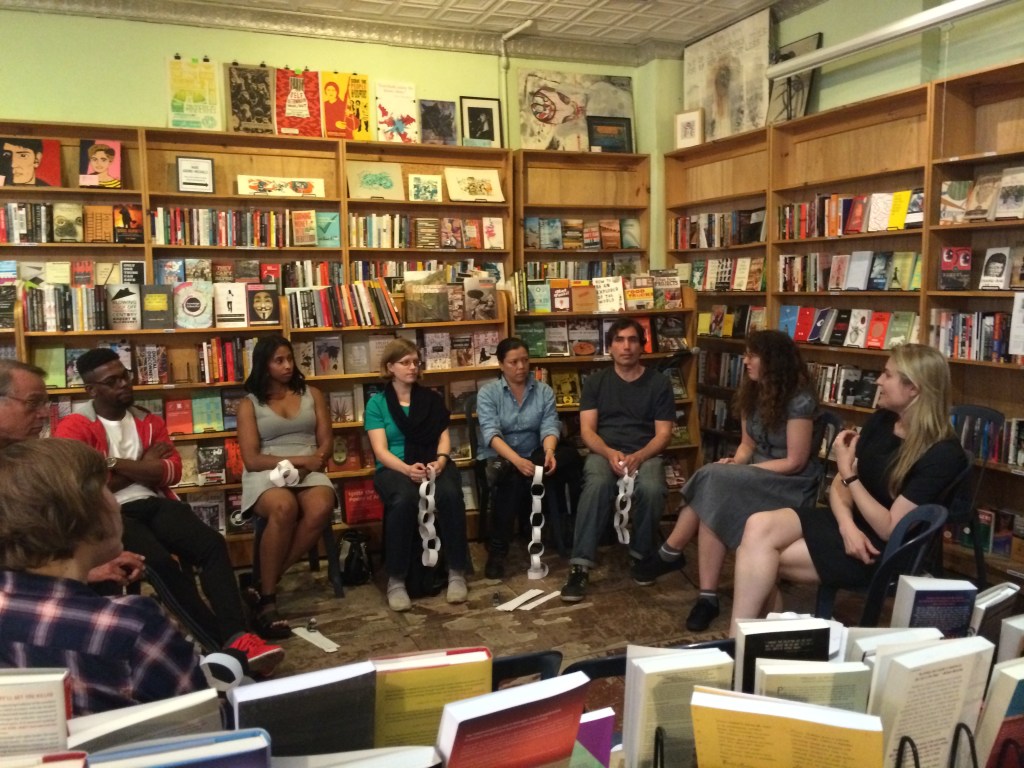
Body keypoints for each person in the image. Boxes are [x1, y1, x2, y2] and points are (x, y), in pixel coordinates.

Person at [53, 349, 285, 675]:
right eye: (112, 381)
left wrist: (114, 464)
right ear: (92, 389)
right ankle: (224, 649)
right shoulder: (74, 427)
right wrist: (145, 465)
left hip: (153, 501)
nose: (124, 384)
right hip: (110, 513)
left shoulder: (149, 420)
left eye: (125, 376)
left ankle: (239, 636)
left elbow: (172, 471)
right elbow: (85, 488)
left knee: (212, 544)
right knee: (160, 563)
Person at [728, 344, 968, 635]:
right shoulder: (883, 421)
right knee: (757, 527)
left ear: (913, 389)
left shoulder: (943, 453)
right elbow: (840, 486)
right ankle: (747, 638)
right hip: (847, 524)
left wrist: (849, 475)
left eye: (887, 375)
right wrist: (846, 524)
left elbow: (891, 528)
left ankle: (747, 639)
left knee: (758, 558)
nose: (878, 381)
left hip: (879, 549)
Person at [0, 438, 209, 716]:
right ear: (83, 516)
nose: (117, 504)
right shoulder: (132, 625)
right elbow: (201, 722)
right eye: (106, 489)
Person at [655, 330, 819, 632]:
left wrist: (745, 473)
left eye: (751, 355)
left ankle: (672, 551)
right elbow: (746, 445)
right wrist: (736, 464)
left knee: (714, 482)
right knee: (715, 488)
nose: (745, 361)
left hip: (790, 483)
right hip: (757, 476)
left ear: (773, 360)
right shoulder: (752, 391)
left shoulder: (799, 399)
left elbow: (795, 461)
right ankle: (705, 594)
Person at [0, 359, 145, 588]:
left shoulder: (27, 460)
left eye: (44, 403)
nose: (44, 413)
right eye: (33, 402)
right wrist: (80, 570)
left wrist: (86, 563)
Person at [560, 318, 675, 602]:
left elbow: (663, 434)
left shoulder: (659, 383)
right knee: (597, 484)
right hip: (604, 452)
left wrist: (640, 455)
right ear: (609, 347)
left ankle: (641, 555)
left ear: (642, 346)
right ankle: (580, 565)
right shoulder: (596, 382)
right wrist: (609, 453)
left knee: (652, 488)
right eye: (619, 340)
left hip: (645, 453)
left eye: (633, 340)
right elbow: (587, 431)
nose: (626, 346)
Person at [238, 335, 337, 631]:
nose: (287, 366)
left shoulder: (312, 394)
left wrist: (315, 460)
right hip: (268, 471)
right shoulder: (249, 404)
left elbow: (326, 441)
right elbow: (252, 459)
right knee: (284, 507)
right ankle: (268, 598)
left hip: (309, 466)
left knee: (321, 506)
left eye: (289, 359)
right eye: (278, 361)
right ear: (263, 365)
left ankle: (263, 581)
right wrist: (301, 461)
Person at [365, 338, 469, 611]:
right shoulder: (377, 404)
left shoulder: (431, 400)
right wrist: (406, 469)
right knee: (404, 500)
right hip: (395, 467)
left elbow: (443, 439)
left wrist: (441, 462)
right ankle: (396, 580)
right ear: (390, 367)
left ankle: (456, 572)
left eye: (415, 362)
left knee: (449, 494)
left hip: (433, 462)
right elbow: (380, 451)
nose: (412, 367)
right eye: (405, 362)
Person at [475, 337, 582, 578]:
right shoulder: (488, 393)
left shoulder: (543, 391)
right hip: (499, 456)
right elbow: (491, 434)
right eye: (513, 362)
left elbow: (549, 426)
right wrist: (516, 461)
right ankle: (497, 552)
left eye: (525, 360)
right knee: (511, 478)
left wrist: (550, 451)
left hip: (534, 453)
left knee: (571, 456)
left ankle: (569, 530)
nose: (521, 367)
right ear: (501, 364)